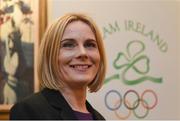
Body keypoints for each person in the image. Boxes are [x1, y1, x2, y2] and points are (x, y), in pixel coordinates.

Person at [9, 13, 107, 120]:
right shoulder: (28, 111)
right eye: (68, 45)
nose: (83, 53)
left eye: (90, 45)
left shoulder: (99, 118)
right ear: (50, 56)